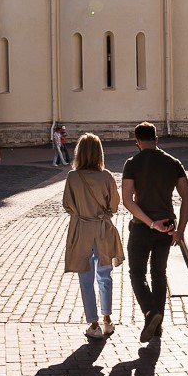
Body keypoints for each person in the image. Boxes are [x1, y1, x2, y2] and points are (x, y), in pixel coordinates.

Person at [122, 122, 188, 342]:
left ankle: (151, 313)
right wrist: (180, 230)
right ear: (156, 139)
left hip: (142, 227)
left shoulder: (132, 163)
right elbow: (187, 198)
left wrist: (150, 223)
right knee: (159, 273)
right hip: (168, 227)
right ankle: (158, 324)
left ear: (137, 142)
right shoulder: (173, 162)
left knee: (137, 273)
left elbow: (127, 201)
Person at [63, 132, 124, 339]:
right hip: (103, 229)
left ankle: (94, 323)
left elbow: (67, 205)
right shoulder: (106, 176)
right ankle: (107, 320)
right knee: (105, 276)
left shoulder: (73, 177)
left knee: (85, 277)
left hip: (81, 230)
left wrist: (82, 210)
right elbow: (114, 206)